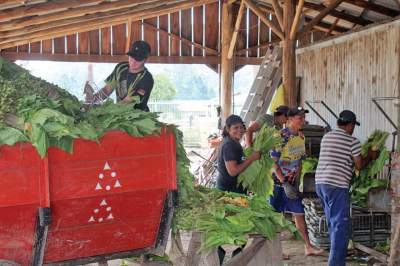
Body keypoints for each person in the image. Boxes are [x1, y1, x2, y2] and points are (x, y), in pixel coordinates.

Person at [315, 110, 378, 266]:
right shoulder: (352, 141)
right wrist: (371, 155)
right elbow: (359, 165)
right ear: (349, 125)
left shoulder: (326, 136)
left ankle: (337, 256)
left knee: (332, 223)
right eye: (353, 126)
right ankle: (335, 263)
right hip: (337, 185)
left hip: (321, 184)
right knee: (340, 225)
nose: (353, 129)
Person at [270, 107, 323, 256]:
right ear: (290, 119)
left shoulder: (301, 137)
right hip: (277, 185)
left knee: (299, 214)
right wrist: (284, 182)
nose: (303, 121)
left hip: (292, 185)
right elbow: (273, 163)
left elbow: (299, 162)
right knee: (275, 219)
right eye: (300, 118)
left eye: (303, 118)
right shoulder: (280, 137)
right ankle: (275, 252)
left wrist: (296, 183)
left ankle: (308, 247)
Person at [216, 114, 260, 264]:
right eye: (235, 128)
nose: (239, 130)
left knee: (236, 231)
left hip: (234, 191)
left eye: (242, 127)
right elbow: (233, 171)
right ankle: (229, 261)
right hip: (229, 193)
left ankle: (232, 260)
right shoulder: (229, 145)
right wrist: (251, 159)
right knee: (232, 231)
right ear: (227, 129)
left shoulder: (233, 143)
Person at [86, 40, 154, 111]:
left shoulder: (146, 79)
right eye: (132, 57)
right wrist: (91, 101)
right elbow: (106, 90)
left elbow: (128, 102)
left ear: (146, 60)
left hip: (137, 117)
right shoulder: (121, 67)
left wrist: (104, 110)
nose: (133, 61)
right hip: (118, 113)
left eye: (138, 59)